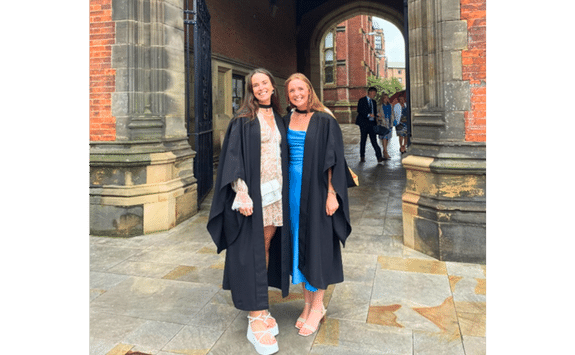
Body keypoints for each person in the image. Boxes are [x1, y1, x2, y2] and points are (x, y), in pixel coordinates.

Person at [207, 68, 290, 355]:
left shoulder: (279, 118)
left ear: (273, 86)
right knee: (251, 248)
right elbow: (234, 156)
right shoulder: (244, 119)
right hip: (253, 195)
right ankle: (255, 316)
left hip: (275, 194)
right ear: (250, 90)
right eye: (255, 85)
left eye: (265, 82)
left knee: (264, 245)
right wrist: (241, 191)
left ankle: (260, 303)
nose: (261, 87)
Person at [284, 73, 352, 337]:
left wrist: (332, 193)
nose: (297, 94)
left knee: (319, 245)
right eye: (292, 91)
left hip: (318, 188)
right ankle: (307, 304)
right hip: (292, 189)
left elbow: (334, 157)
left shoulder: (324, 119)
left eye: (300, 89)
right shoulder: (287, 118)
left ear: (309, 90)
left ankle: (318, 306)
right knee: (299, 243)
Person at [355, 87, 384, 163]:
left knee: (374, 140)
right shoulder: (362, 100)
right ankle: (362, 156)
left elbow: (374, 112)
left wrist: (377, 114)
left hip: (372, 124)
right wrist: (368, 115)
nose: (374, 95)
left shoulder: (374, 102)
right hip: (364, 123)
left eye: (375, 94)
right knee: (363, 140)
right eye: (374, 93)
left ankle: (379, 157)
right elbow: (359, 110)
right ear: (370, 92)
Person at [378, 93, 393, 160]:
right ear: (382, 99)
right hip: (383, 123)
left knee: (387, 138)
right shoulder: (380, 106)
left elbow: (392, 114)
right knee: (384, 137)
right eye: (385, 98)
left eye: (387, 98)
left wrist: (393, 120)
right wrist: (379, 116)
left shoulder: (390, 106)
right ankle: (385, 151)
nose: (386, 99)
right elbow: (377, 114)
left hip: (389, 123)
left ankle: (384, 150)